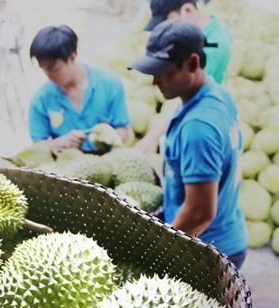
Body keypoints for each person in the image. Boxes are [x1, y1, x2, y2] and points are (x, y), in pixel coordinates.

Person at [129, 19, 248, 269]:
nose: (155, 82)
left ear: (192, 63)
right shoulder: (216, 94)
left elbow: (199, 212)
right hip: (227, 232)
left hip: (208, 250)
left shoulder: (198, 128)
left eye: (163, 72)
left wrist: (158, 253)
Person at [135, 0, 233, 154]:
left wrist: (154, 135)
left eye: (169, 22)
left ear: (187, 10)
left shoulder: (213, 48)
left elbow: (193, 96)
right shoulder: (211, 25)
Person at [28, 25, 131, 154]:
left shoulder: (109, 83)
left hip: (105, 160)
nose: (48, 75)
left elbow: (123, 130)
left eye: (54, 69)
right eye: (43, 69)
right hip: (64, 166)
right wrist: (60, 143)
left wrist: (105, 138)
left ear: (72, 57)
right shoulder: (40, 99)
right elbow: (37, 146)